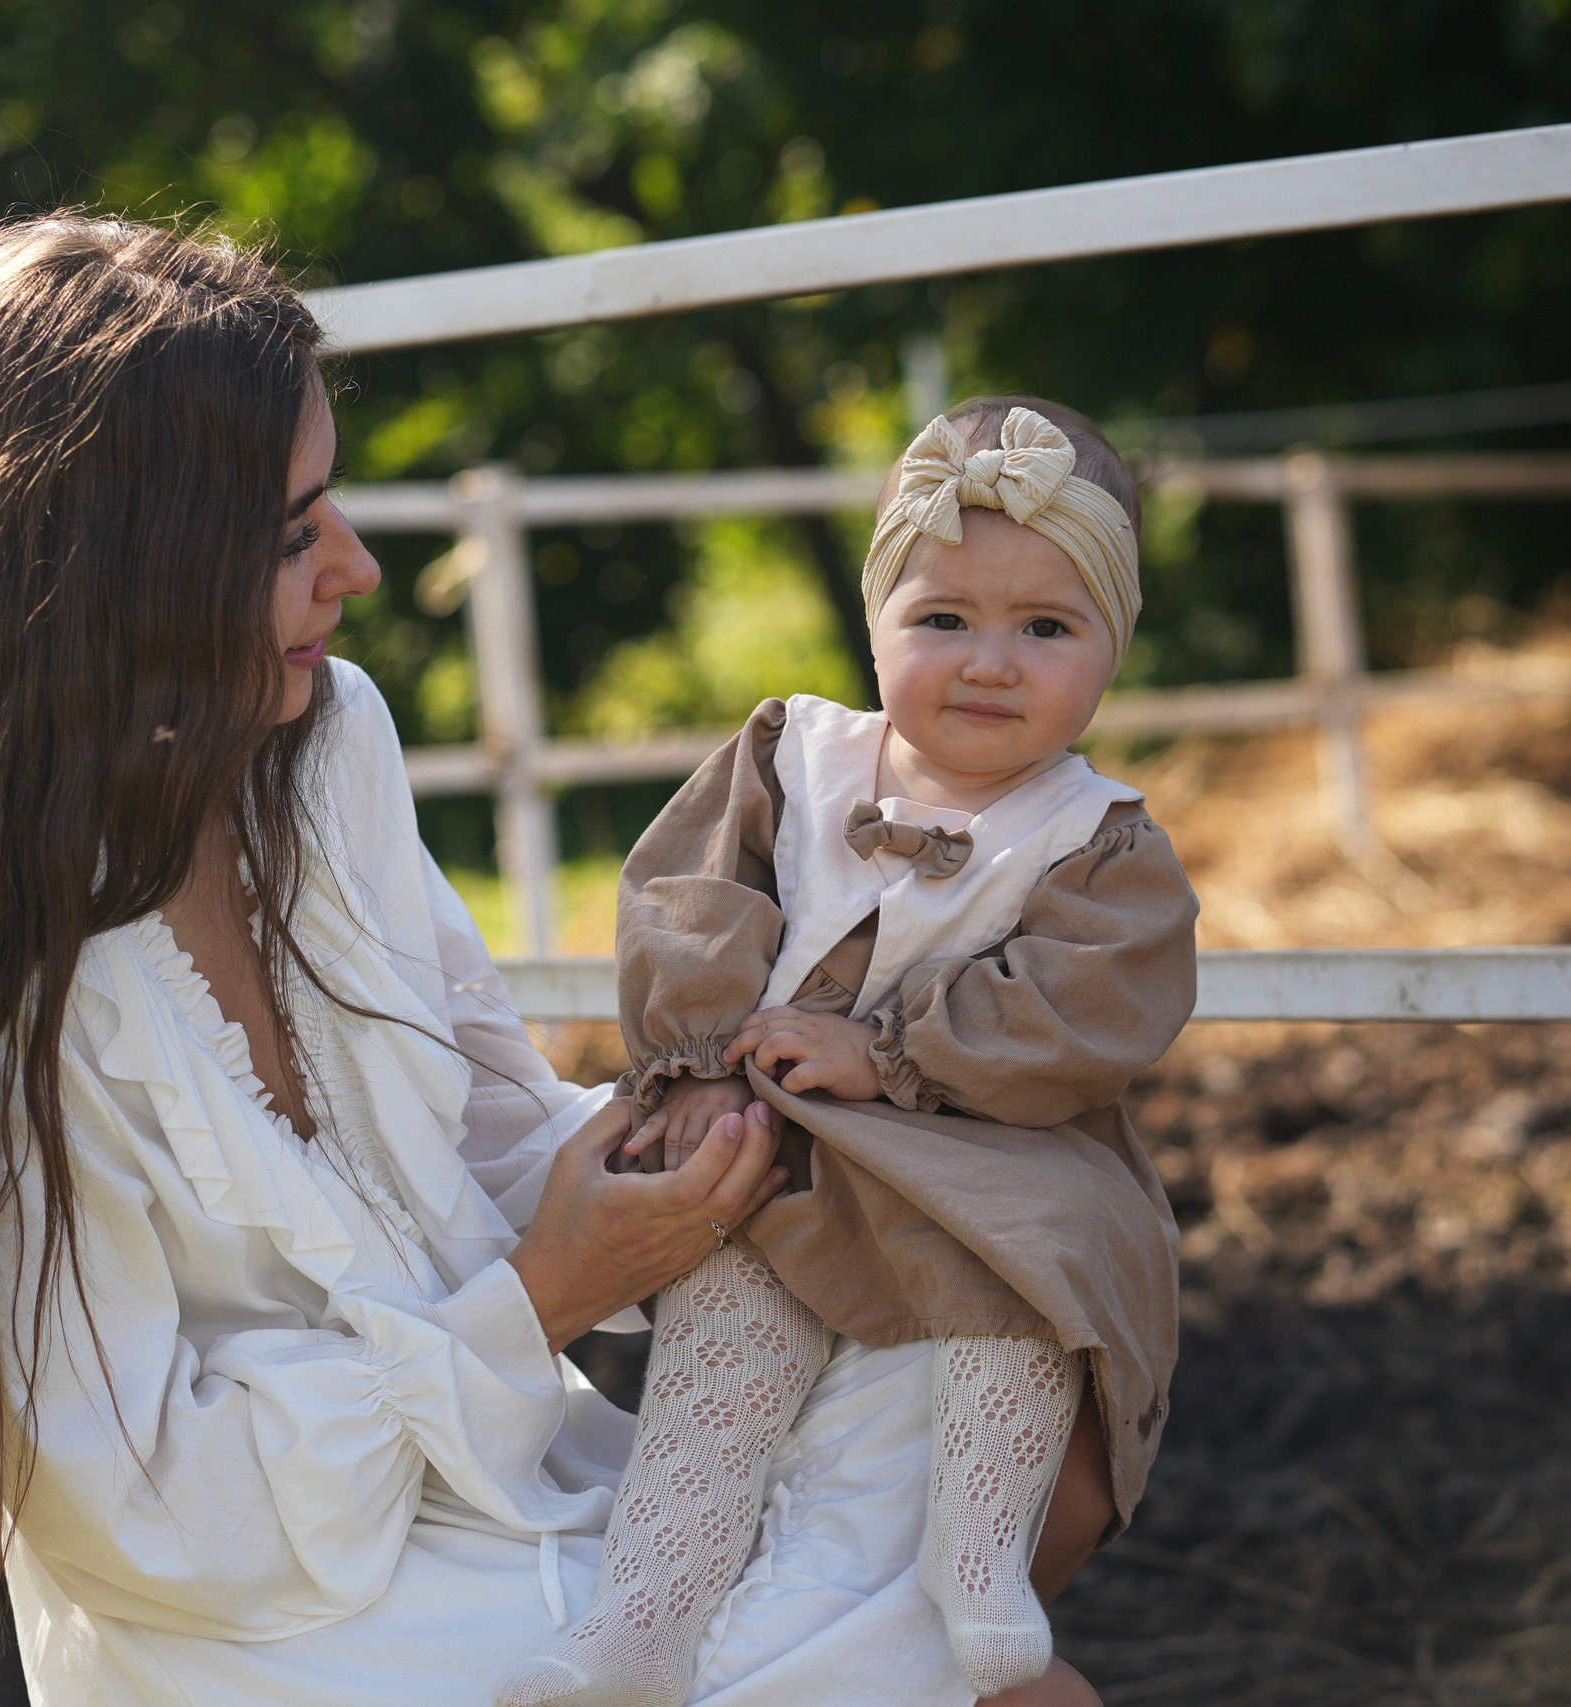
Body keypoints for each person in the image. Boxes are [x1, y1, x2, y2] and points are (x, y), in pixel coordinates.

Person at [0, 217, 1105, 1707]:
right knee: (943, 1671)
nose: (360, 568)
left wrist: (739, 1151)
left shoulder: (328, 747)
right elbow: (153, 1522)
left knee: (988, 1401)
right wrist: (541, 1295)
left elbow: (490, 1120)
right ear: (116, 578)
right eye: (289, 535)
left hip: (521, 1487)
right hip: (273, 1635)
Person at [500, 401, 1198, 1707]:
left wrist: (894, 1050)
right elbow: (692, 892)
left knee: (1032, 1293)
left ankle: (978, 1560)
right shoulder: (794, 756)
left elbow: (1092, 1003)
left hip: (983, 1153)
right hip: (785, 1148)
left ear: (1110, 650)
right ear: (877, 619)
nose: (989, 662)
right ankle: (642, 1617)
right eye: (943, 619)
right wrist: (702, 1058)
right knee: (722, 1328)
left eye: (1044, 628)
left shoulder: (1096, 836)